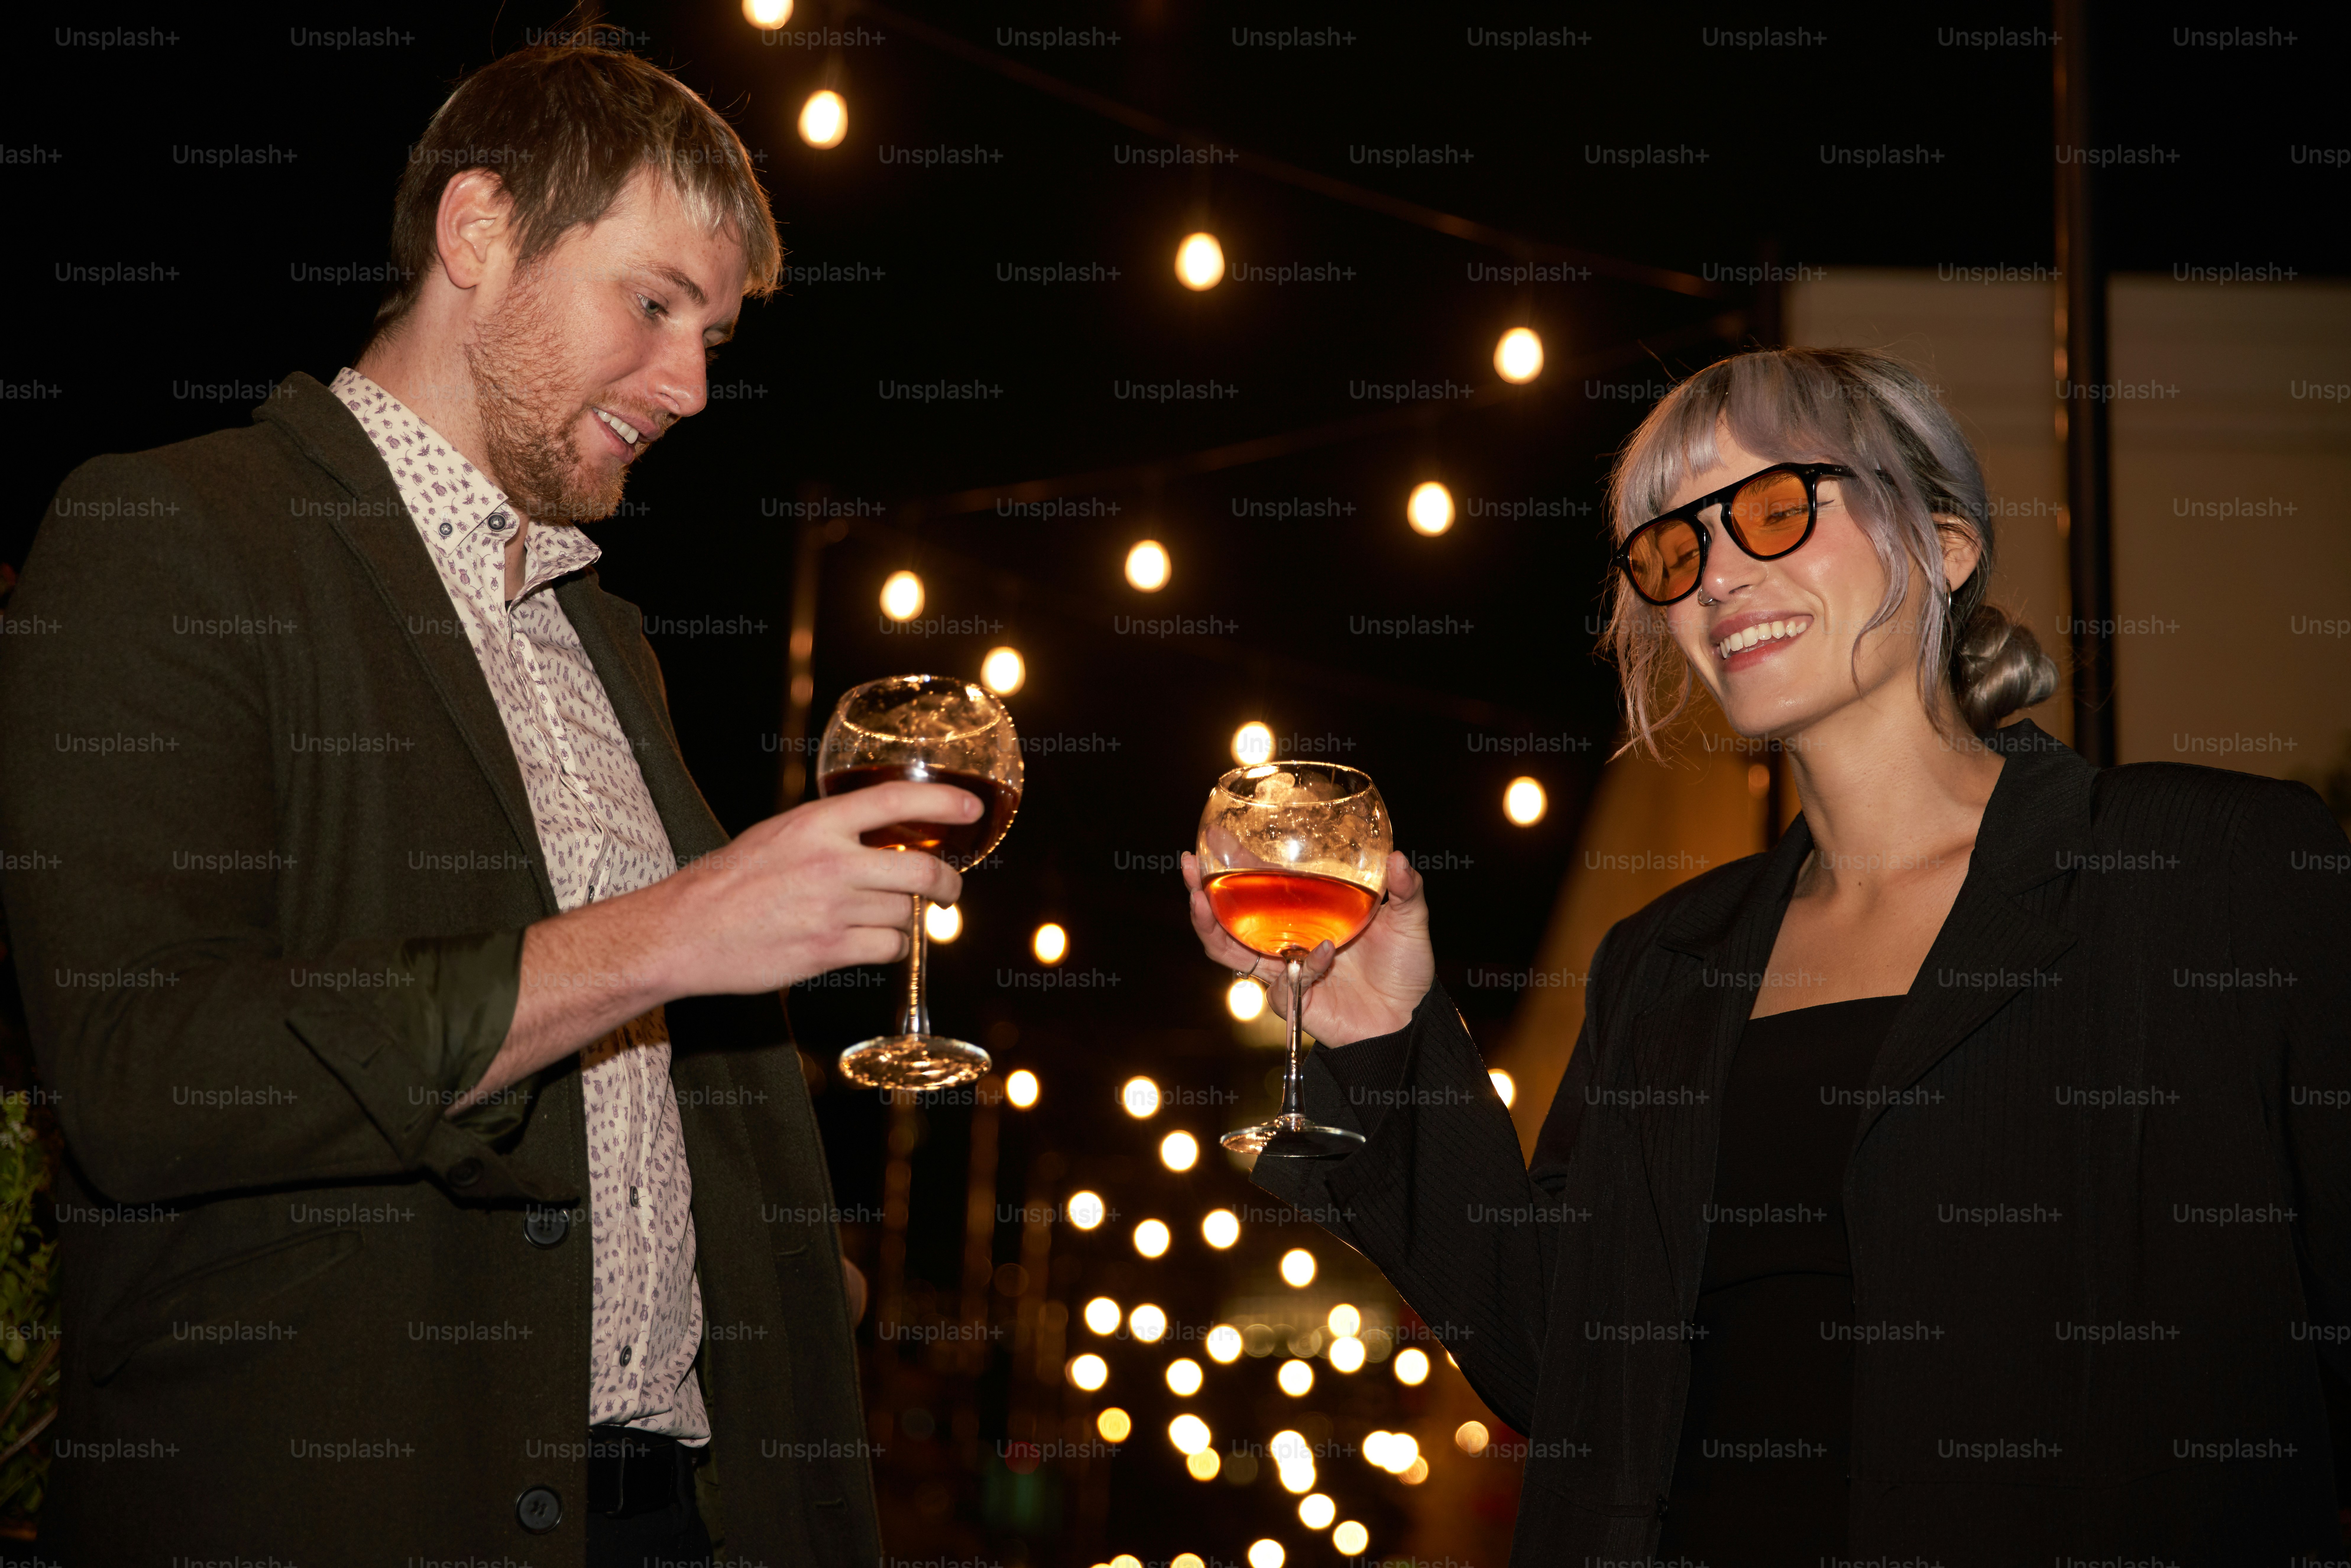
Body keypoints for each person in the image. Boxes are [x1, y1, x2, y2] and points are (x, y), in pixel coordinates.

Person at [0, 43, 979, 1567]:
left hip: (669, 1517)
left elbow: (654, 1101)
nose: (692, 387)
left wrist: (780, 1279)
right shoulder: (174, 529)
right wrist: (660, 936)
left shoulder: (616, 643)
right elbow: (147, 1073)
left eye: (712, 335)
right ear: (476, 232)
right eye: (652, 305)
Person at [1184, 346, 2351, 1565]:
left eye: (1772, 507)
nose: (1715, 575)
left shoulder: (2207, 873)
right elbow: (1566, 1363)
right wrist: (1381, 1034)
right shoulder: (1663, 965)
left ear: (1941, 545)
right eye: (1671, 548)